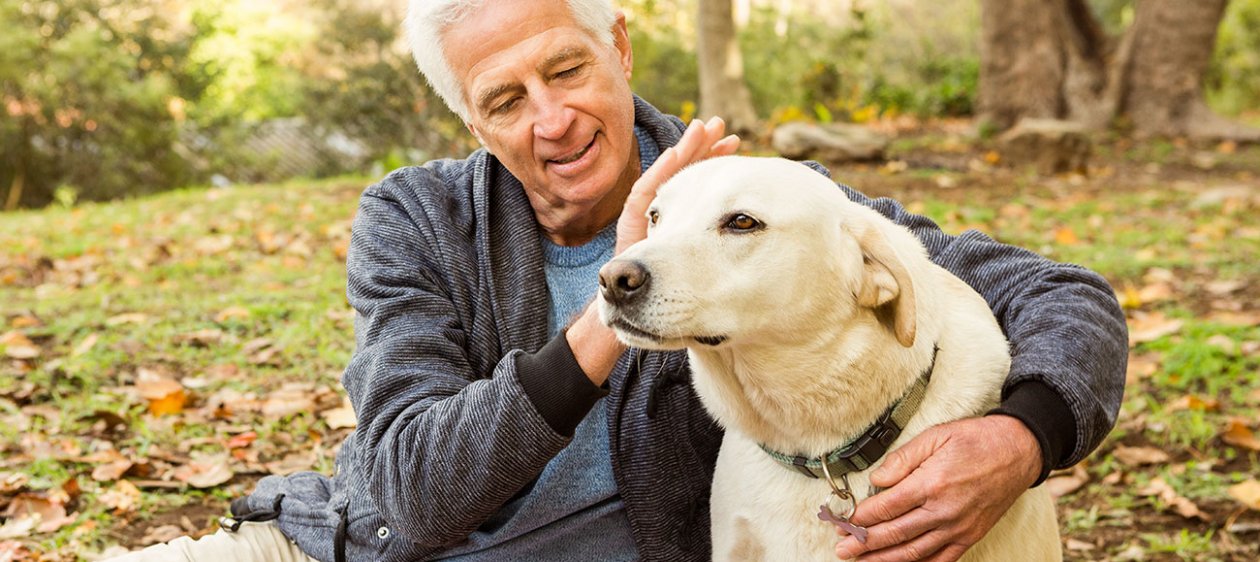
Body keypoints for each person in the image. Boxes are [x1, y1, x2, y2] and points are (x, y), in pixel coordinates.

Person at [109, 0, 1127, 561]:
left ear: (621, 46)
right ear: (474, 124)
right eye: (504, 99)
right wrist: (615, 301)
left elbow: (1064, 297)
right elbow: (413, 494)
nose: (548, 119)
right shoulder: (415, 218)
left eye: (565, 71)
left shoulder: (754, 204)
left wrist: (1021, 436)